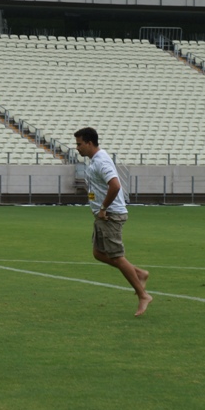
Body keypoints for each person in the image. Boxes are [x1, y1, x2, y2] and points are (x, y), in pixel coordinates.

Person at [74, 127, 152, 316]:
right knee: (98, 253)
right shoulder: (95, 161)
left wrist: (103, 208)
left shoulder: (101, 161)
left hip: (110, 215)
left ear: (90, 143)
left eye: (79, 144)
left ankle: (143, 295)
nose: (77, 148)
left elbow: (115, 185)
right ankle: (139, 273)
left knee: (116, 256)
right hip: (103, 215)